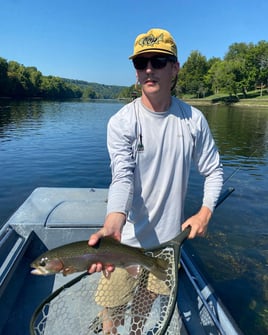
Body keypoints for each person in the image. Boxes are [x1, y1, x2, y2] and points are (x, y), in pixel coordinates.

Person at [88, 28, 223, 334]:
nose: (149, 69)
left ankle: (136, 331)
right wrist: (113, 222)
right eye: (141, 62)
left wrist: (205, 212)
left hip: (168, 246)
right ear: (136, 71)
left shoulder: (193, 120)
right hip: (126, 242)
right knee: (112, 310)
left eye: (159, 61)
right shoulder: (122, 122)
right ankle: (109, 330)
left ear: (174, 68)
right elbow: (121, 177)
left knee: (145, 304)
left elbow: (213, 170)